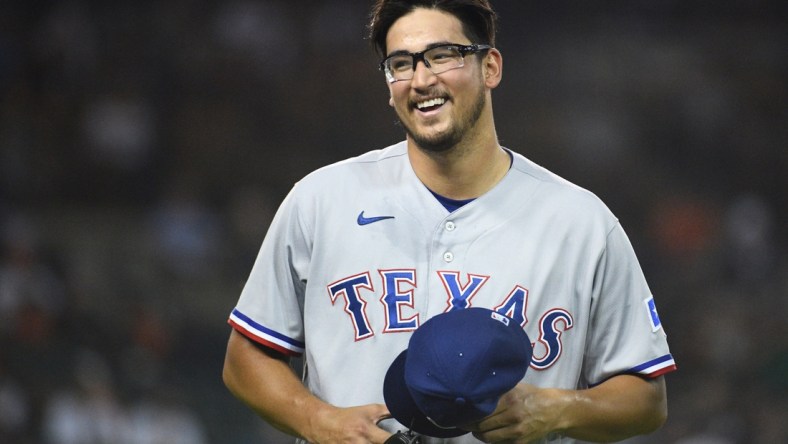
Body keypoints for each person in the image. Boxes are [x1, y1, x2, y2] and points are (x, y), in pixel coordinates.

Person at [222, 1, 677, 443]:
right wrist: (317, 420)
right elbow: (246, 357)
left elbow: (645, 399)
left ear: (490, 67)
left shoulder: (582, 223)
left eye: (442, 55)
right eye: (401, 63)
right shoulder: (322, 200)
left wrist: (559, 409)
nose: (421, 79)